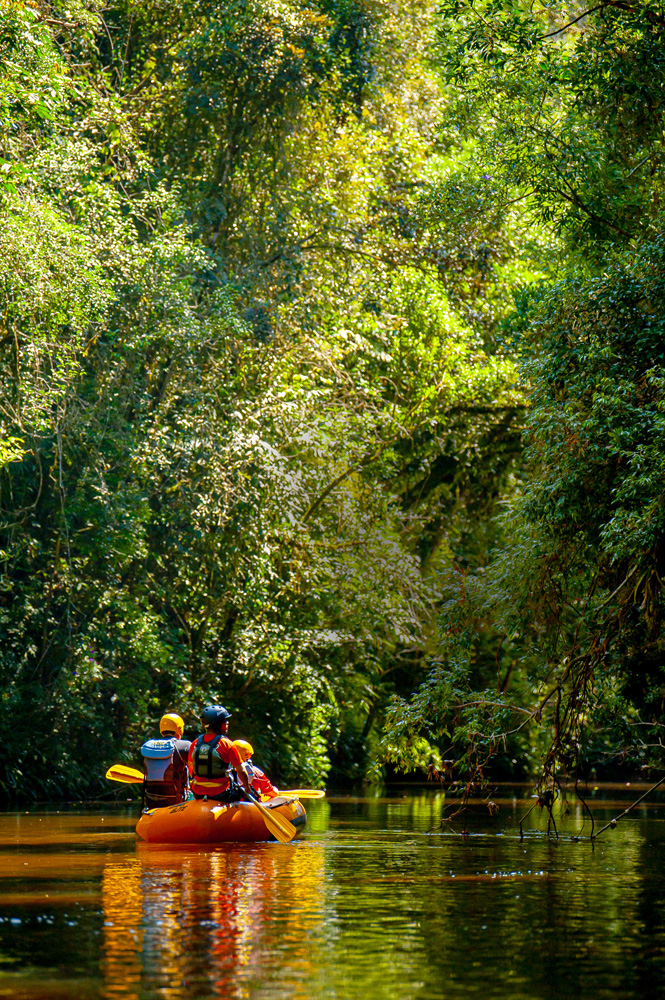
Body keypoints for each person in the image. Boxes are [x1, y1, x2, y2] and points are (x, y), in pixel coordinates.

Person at [188, 705, 253, 801]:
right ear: (217, 724)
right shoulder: (227, 744)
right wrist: (247, 787)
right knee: (241, 794)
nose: (227, 723)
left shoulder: (195, 743)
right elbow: (242, 771)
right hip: (221, 793)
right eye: (225, 721)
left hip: (198, 792)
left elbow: (191, 767)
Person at [140, 712, 191, 810]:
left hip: (151, 800)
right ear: (180, 729)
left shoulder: (149, 746)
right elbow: (194, 771)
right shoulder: (184, 746)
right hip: (175, 801)